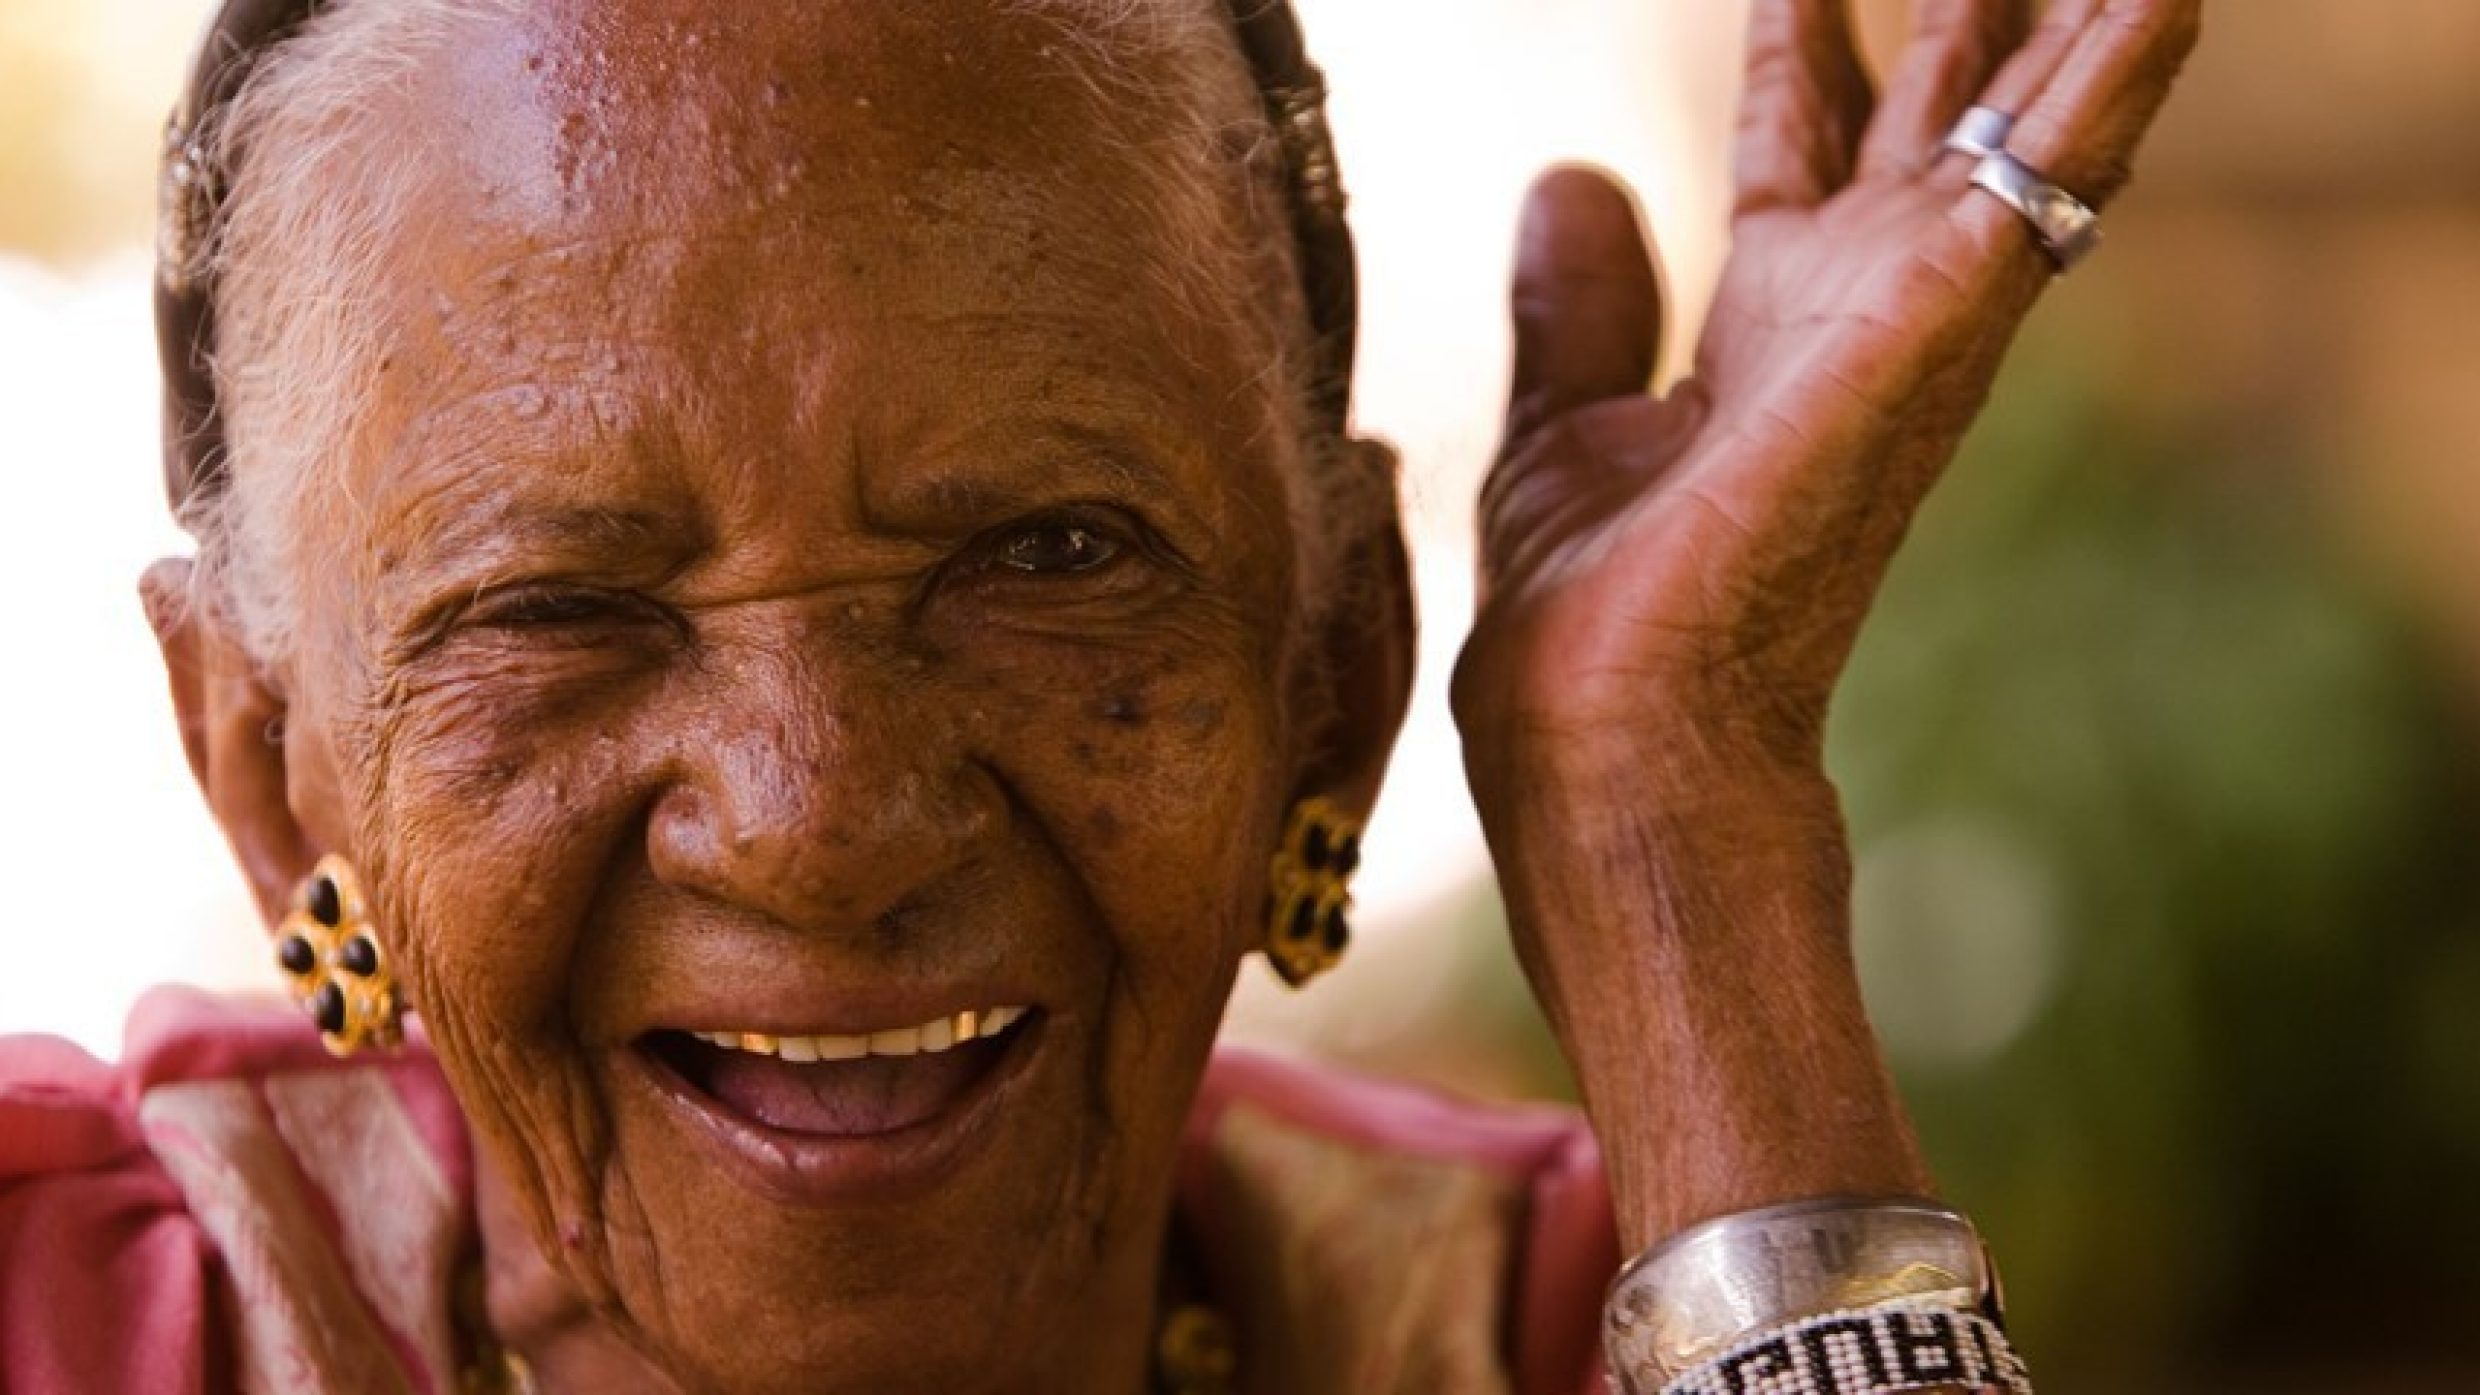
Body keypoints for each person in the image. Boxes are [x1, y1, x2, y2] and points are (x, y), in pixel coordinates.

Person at [0, 0, 2200, 1391]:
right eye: (560, 602)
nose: (819, 814)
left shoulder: (1586, 1322)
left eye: (1045, 554)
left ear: (1332, 676)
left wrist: (1672, 822)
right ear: (270, 775)